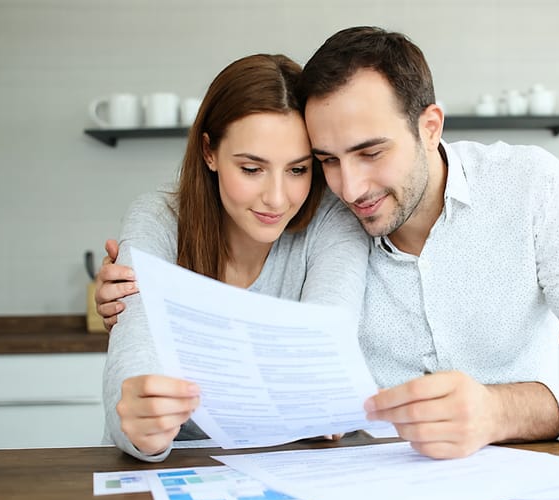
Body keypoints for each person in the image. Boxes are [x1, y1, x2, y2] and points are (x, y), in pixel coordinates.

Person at [97, 27, 559, 460]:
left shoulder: (530, 188)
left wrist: (499, 411)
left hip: (514, 477)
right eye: (326, 161)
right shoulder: (327, 215)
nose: (350, 187)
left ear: (430, 126)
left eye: (371, 153)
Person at [101, 53, 369, 462]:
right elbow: (133, 355)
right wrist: (142, 426)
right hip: (172, 472)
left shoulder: (332, 220)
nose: (277, 198)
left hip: (290, 475)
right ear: (209, 152)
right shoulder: (157, 218)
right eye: (251, 169)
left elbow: (324, 355)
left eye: (297, 170)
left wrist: (318, 396)